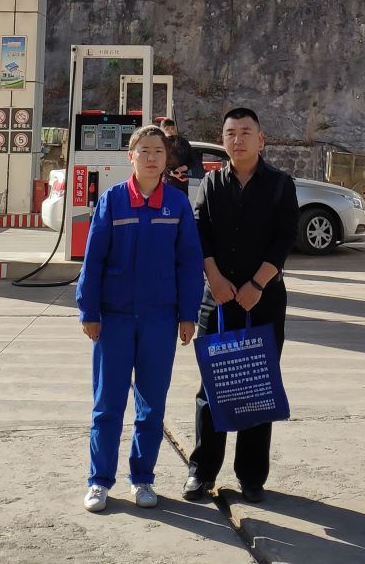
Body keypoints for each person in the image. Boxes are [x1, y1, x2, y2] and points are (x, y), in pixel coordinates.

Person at [75, 125, 203, 514]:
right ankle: (99, 481)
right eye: (143, 150)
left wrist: (188, 313)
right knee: (107, 405)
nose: (151, 157)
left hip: (160, 320)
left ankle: (143, 479)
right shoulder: (113, 201)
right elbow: (93, 259)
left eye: (158, 151)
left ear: (167, 159)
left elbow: (189, 262)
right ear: (130, 157)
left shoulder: (177, 205)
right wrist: (89, 311)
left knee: (152, 406)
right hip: (114, 319)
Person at [185, 107, 298, 505]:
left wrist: (257, 284)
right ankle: (202, 471)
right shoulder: (211, 183)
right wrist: (215, 280)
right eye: (231, 132)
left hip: (263, 300)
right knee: (211, 385)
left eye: (246, 132)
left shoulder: (281, 185)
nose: (238, 139)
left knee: (256, 383)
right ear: (224, 139)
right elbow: (200, 232)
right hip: (217, 300)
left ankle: (251, 476)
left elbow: (284, 238)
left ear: (260, 139)